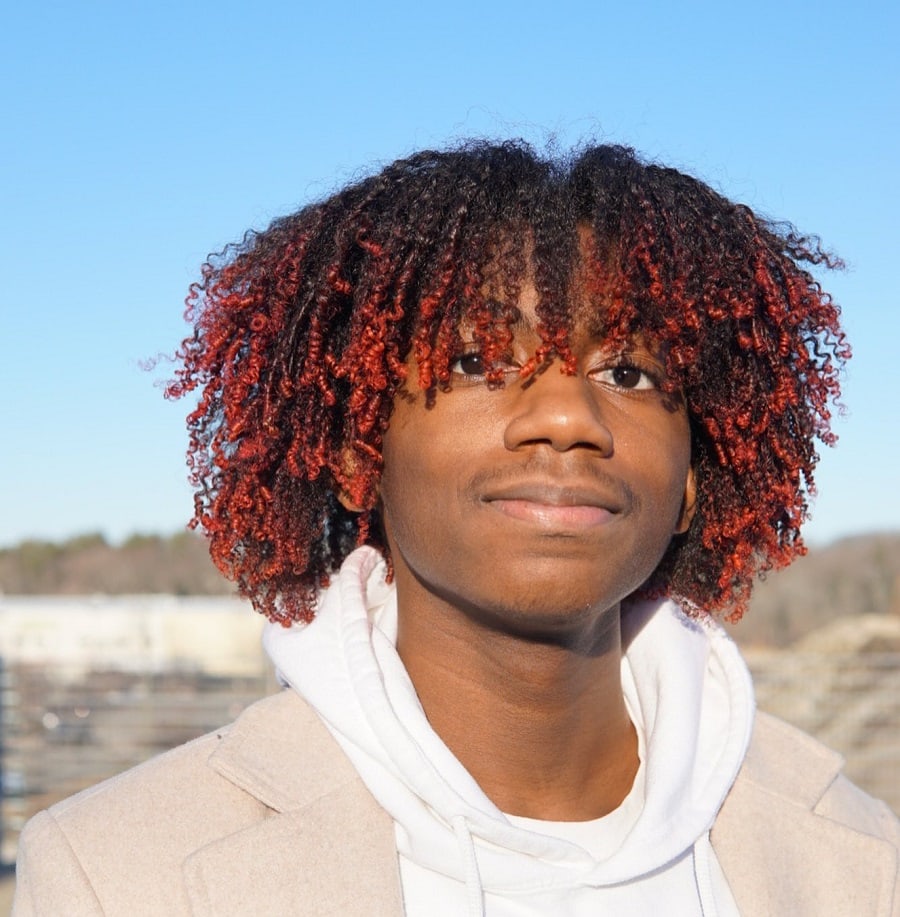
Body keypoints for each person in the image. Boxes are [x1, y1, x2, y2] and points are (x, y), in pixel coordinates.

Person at [13, 141, 899, 916]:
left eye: (626, 371)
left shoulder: (863, 856)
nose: (565, 415)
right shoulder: (117, 871)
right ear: (362, 451)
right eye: (479, 360)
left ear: (696, 481)